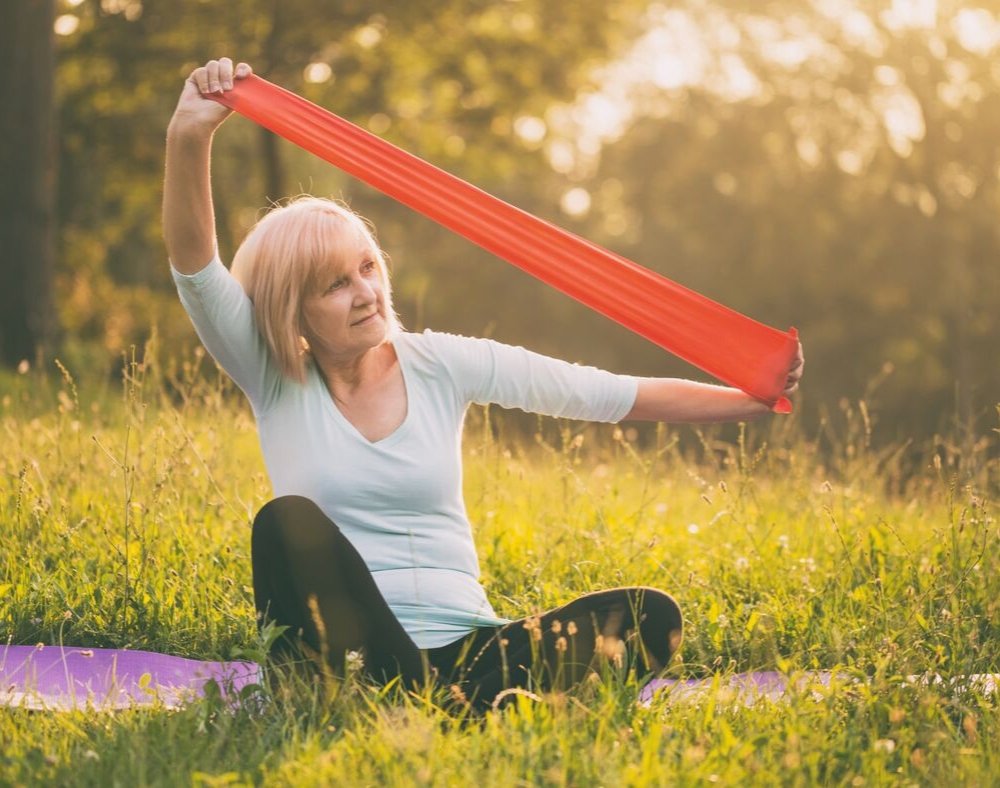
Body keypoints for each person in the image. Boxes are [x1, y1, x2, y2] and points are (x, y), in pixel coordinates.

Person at [164, 58, 804, 711]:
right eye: (336, 284)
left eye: (367, 267)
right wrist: (190, 136)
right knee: (283, 525)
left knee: (649, 616)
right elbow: (196, 268)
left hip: (472, 657)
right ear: (292, 309)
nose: (366, 292)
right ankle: (439, 706)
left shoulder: (441, 364)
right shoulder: (274, 381)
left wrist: (747, 401)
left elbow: (602, 392)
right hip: (354, 658)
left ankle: (453, 707)